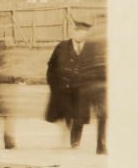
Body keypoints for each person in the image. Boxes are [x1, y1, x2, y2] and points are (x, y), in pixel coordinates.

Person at [45, 18, 92, 148]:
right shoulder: (62, 47)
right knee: (66, 114)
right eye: (77, 31)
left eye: (83, 32)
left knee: (79, 117)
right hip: (64, 89)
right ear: (74, 32)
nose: (79, 34)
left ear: (87, 34)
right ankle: (66, 131)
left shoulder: (90, 49)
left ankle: (75, 142)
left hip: (82, 90)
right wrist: (53, 84)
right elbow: (51, 66)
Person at [78, 24, 107, 155]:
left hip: (102, 84)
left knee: (103, 114)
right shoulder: (90, 44)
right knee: (82, 113)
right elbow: (82, 62)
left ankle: (101, 145)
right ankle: (76, 137)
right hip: (91, 82)